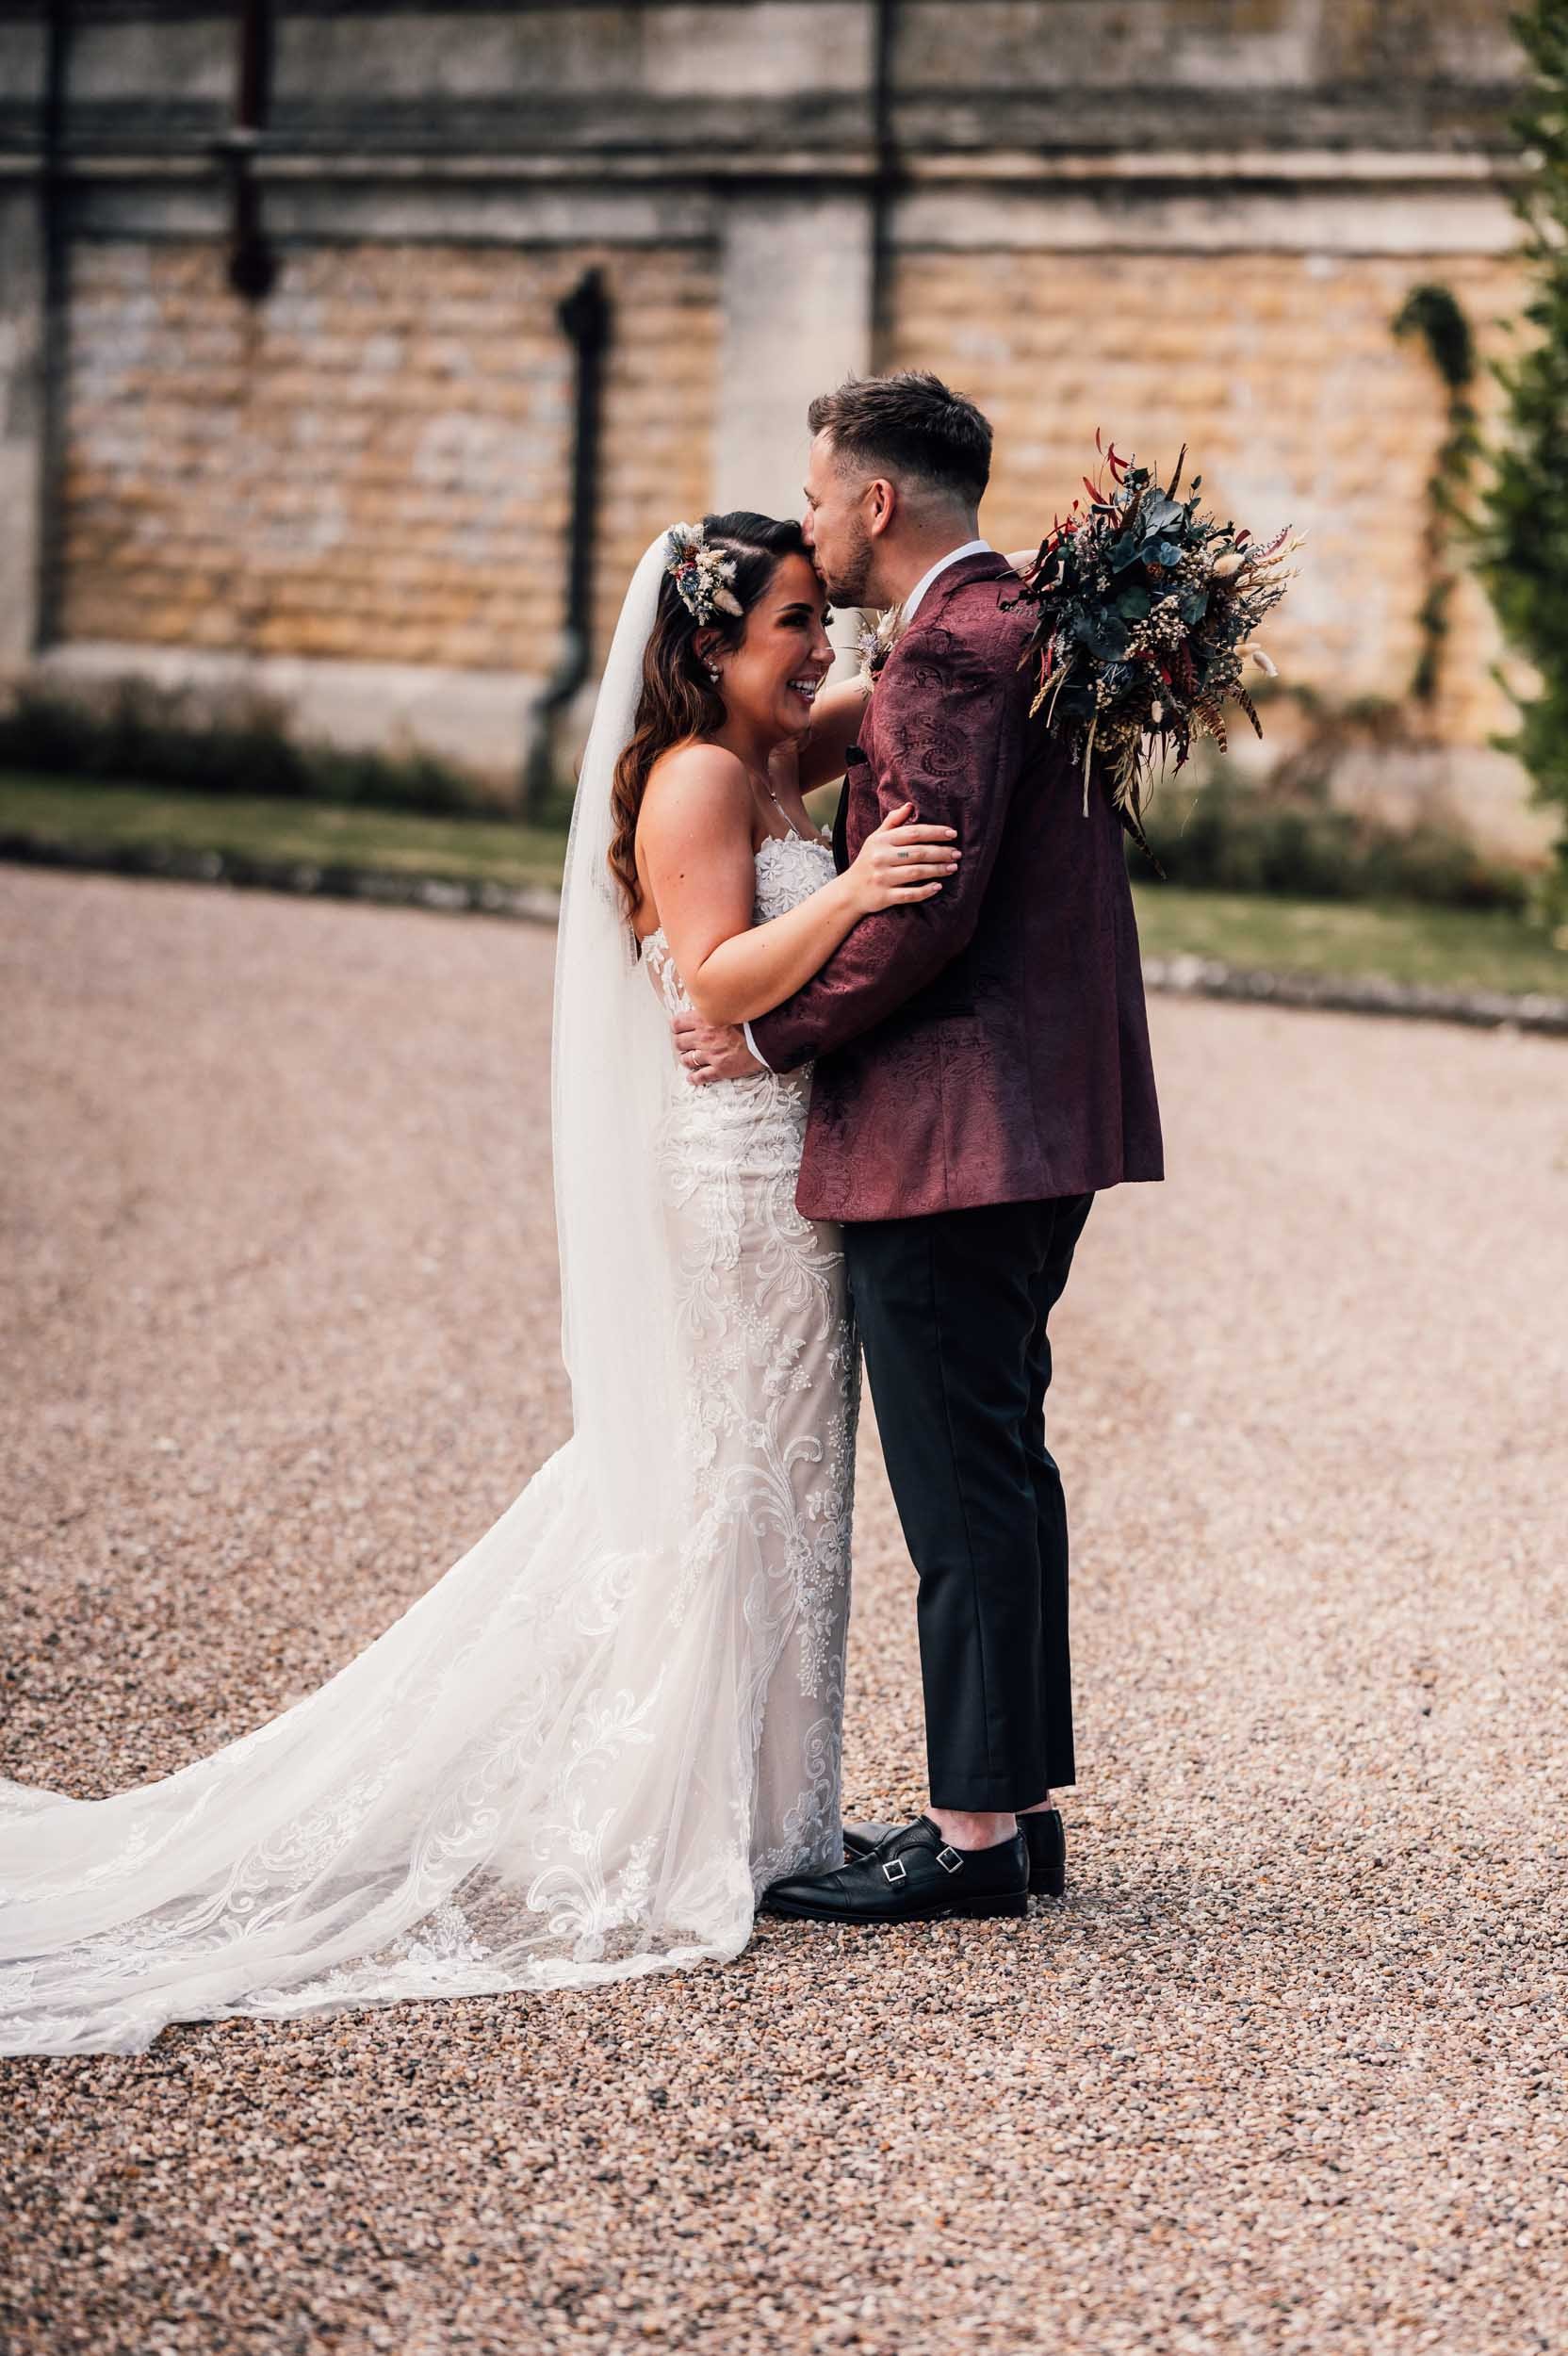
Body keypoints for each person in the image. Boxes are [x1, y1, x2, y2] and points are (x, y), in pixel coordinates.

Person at [0, 511, 951, 2055]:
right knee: (730, 1488)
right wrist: (853, 894)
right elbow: (709, 981)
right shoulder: (703, 778)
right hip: (736, 1190)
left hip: (790, 1177)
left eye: (820, 621)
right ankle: (707, 1818)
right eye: (793, 621)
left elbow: (913, 690)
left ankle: (782, 1817)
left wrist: (1002, 622)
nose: (821, 647)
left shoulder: (774, 749)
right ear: (709, 644)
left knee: (785, 1490)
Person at [674, 372, 1165, 1926]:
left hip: (952, 1133)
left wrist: (765, 1038)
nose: (813, 522)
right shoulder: (1021, 617)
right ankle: (1013, 1812)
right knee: (1003, 1466)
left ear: (875, 502)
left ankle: (965, 1841)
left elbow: (924, 909)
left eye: (820, 495)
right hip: (1042, 1119)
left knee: (960, 1486)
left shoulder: (951, 649)